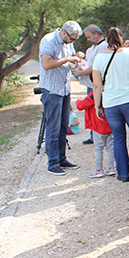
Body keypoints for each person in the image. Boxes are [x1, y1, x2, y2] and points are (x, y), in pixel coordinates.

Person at [93, 27, 129, 182]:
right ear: (121, 38)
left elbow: (97, 85)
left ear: (106, 40)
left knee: (118, 138)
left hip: (110, 102)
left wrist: (97, 105)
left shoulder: (99, 58)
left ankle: (122, 173)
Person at [39, 21, 83, 176]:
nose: (73, 42)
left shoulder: (68, 43)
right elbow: (46, 64)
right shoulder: (49, 40)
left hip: (64, 89)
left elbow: (70, 60)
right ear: (64, 33)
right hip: (52, 90)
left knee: (64, 126)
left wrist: (76, 59)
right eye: (72, 39)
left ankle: (61, 158)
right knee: (53, 127)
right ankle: (53, 163)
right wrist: (67, 59)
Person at [73, 25, 108, 145]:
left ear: (95, 34)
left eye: (89, 37)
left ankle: (100, 134)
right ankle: (94, 134)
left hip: (96, 84)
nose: (88, 39)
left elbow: (97, 65)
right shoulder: (93, 47)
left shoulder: (103, 46)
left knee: (97, 108)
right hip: (90, 82)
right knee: (91, 111)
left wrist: (82, 72)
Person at [76, 91, 116, 178]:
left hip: (98, 126)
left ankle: (99, 170)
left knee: (98, 148)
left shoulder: (94, 95)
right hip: (109, 125)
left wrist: (78, 100)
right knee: (110, 147)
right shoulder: (110, 92)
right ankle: (111, 167)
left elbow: (81, 106)